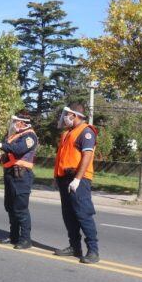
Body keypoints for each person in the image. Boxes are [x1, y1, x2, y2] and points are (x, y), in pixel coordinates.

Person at [53, 103, 100, 263]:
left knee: (83, 214)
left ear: (75, 115)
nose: (65, 118)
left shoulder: (86, 131)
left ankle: (93, 251)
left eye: (68, 115)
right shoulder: (68, 133)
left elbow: (87, 156)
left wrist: (77, 179)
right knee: (69, 215)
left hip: (78, 179)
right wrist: (57, 177)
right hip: (64, 179)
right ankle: (74, 247)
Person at [0, 113, 38, 249]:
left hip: (21, 176)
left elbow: (19, 149)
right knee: (10, 207)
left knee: (20, 208)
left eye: (16, 121)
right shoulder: (13, 136)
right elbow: (10, 153)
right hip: (10, 174)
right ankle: (14, 236)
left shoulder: (30, 136)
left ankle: (25, 239)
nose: (14, 123)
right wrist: (0, 152)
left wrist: (1, 144)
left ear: (23, 123)